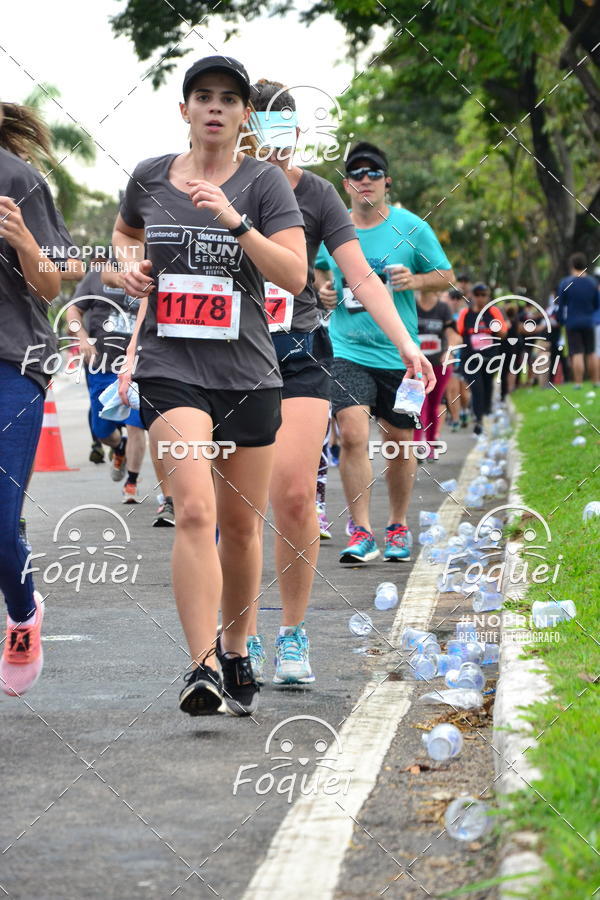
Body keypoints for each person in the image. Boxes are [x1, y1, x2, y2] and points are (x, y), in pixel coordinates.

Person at [107, 56, 307, 718]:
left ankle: (237, 642)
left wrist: (235, 222)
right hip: (172, 368)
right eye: (203, 97)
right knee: (193, 509)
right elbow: (126, 235)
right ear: (184, 109)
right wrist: (129, 270)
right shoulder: (149, 177)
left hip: (248, 373)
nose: (215, 107)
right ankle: (198, 668)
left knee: (242, 529)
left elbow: (295, 277)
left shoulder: (264, 185)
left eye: (229, 99)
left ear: (245, 114)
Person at [244, 82, 434, 685]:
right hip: (227, 359)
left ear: (297, 134)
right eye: (261, 125)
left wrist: (409, 345)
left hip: (298, 348)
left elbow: (360, 276)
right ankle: (238, 636)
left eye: (284, 126)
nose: (271, 139)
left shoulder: (320, 194)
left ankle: (292, 635)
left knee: (295, 495)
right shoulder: (211, 186)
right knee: (236, 509)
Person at [316, 141, 453, 564]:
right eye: (356, 174)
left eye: (373, 173)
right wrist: (322, 291)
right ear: (346, 185)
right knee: (353, 433)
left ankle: (397, 525)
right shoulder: (335, 229)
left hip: (399, 355)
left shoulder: (412, 227)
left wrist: (416, 281)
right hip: (346, 348)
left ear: (387, 181)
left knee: (399, 444)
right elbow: (320, 276)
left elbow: (446, 276)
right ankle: (361, 530)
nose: (365, 181)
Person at [0, 101, 73, 695]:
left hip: (12, 361)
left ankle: (23, 611)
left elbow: (51, 282)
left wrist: (24, 239)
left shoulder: (17, 179)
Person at [67, 257, 147, 502]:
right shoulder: (98, 275)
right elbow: (73, 310)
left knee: (136, 424)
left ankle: (131, 482)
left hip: (136, 366)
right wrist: (81, 337)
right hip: (101, 365)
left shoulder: (149, 275)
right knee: (102, 431)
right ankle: (118, 446)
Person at [414, 288, 459, 457]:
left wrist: (449, 351)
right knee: (419, 404)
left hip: (440, 364)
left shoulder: (443, 308)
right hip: (418, 365)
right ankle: (418, 445)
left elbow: (453, 334)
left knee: (434, 405)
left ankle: (431, 445)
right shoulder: (412, 306)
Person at [456, 283, 507, 433]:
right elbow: (458, 333)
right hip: (470, 359)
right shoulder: (465, 314)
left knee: (486, 386)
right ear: (472, 296)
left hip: (489, 358)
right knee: (476, 387)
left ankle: (485, 411)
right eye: (477, 295)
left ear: (488, 296)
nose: (480, 298)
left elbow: (503, 333)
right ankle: (478, 420)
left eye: (483, 295)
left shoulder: (494, 312)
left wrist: (496, 329)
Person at [556, 252, 600, 387]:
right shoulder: (593, 283)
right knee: (591, 352)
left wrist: (561, 321)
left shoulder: (565, 283)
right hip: (589, 321)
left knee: (577, 352)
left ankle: (578, 383)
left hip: (572, 322)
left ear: (571, 265)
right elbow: (597, 304)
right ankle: (596, 381)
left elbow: (561, 305)